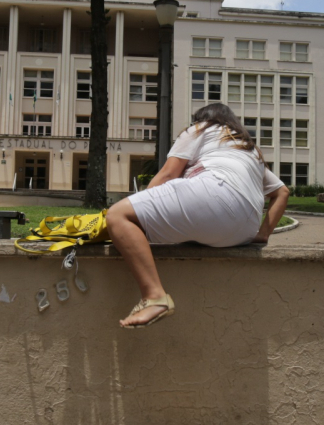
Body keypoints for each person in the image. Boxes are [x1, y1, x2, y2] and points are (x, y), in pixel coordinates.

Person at [106, 103, 290, 328]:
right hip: (242, 232)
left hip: (215, 197)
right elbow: (282, 192)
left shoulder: (200, 129)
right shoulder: (247, 148)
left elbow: (168, 174)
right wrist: (262, 234)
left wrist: (138, 209)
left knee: (118, 216)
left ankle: (154, 297)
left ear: (202, 119)